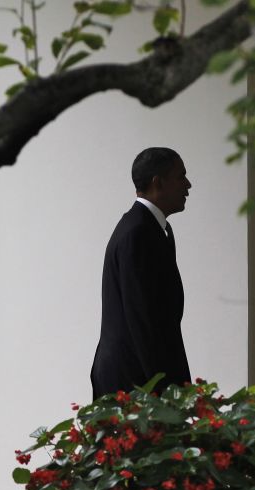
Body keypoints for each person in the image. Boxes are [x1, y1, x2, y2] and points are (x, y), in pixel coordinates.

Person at [90, 147, 193, 400]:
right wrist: (166, 394)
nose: (188, 185)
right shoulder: (138, 233)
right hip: (133, 383)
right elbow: (143, 320)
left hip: (137, 377)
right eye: (181, 176)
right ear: (158, 183)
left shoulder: (150, 228)